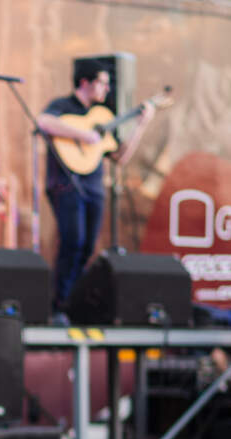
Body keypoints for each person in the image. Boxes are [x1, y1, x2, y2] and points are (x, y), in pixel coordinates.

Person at [37, 57, 154, 323]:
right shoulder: (63, 106)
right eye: (101, 82)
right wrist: (83, 136)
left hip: (93, 187)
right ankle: (59, 305)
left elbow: (120, 157)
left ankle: (75, 304)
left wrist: (141, 125)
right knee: (72, 241)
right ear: (85, 82)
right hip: (66, 184)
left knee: (88, 246)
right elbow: (43, 121)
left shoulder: (104, 117)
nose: (106, 88)